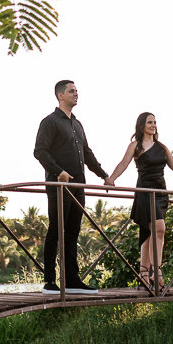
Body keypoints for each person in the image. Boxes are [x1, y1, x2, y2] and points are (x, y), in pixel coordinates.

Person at [106, 112, 173, 291]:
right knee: (159, 228)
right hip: (145, 191)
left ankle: (144, 273)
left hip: (161, 193)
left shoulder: (161, 147)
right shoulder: (135, 146)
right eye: (149, 122)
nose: (153, 125)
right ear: (141, 126)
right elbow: (123, 164)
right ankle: (157, 272)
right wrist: (111, 179)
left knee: (149, 231)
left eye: (155, 122)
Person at [33, 79, 111, 295]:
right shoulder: (49, 122)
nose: (76, 94)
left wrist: (104, 175)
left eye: (77, 91)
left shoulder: (77, 124)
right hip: (59, 187)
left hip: (78, 186)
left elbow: (87, 154)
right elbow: (40, 151)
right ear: (60, 95)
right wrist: (58, 171)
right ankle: (50, 282)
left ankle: (71, 280)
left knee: (73, 232)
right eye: (71, 91)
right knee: (56, 231)